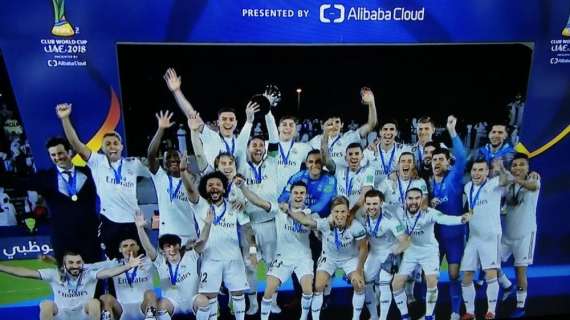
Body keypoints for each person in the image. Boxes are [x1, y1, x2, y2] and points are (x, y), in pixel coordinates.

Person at [56, 103, 150, 259]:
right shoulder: (96, 162)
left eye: (115, 143)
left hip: (135, 222)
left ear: (121, 146)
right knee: (112, 265)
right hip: (110, 222)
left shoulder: (134, 164)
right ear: (102, 148)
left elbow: (154, 170)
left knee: (139, 264)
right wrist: (65, 118)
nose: (112, 146)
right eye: (107, 144)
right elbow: (76, 144)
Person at [0, 136, 101, 263]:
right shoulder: (45, 178)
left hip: (90, 238)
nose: (57, 157)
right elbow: (18, 182)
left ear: (70, 152)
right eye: (53, 155)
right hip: (63, 240)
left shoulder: (89, 172)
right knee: (68, 280)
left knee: (97, 278)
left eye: (60, 153)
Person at [237, 179, 318, 320]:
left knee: (307, 289)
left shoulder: (311, 214)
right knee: (268, 290)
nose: (299, 196)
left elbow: (309, 223)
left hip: (303, 258)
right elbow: (259, 202)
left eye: (302, 193)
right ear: (291, 194)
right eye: (296, 193)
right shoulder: (279, 210)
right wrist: (243, 187)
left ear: (306, 196)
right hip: (282, 257)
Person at [182, 170, 258, 320]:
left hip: (234, 259)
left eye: (218, 184)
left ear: (224, 189)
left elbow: (248, 229)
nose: (214, 187)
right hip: (210, 259)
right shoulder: (199, 205)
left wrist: (253, 251)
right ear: (205, 189)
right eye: (210, 185)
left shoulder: (234, 206)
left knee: (238, 293)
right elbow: (190, 189)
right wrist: (183, 171)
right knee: (209, 296)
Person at [392, 188, 471, 320]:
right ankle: (405, 316)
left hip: (429, 251)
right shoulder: (399, 212)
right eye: (410, 198)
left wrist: (461, 219)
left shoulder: (429, 212)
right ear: (405, 200)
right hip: (411, 251)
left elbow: (444, 219)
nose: (413, 202)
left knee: (431, 280)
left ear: (421, 199)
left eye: (417, 198)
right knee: (396, 284)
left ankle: (430, 316)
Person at [288, 196, 368, 320]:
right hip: (329, 258)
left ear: (348, 212)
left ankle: (356, 318)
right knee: (318, 286)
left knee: (359, 284)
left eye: (343, 211)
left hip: (349, 258)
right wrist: (288, 210)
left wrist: (358, 270)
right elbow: (305, 221)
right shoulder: (325, 223)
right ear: (331, 212)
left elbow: (363, 248)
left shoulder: (356, 226)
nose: (339, 215)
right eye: (336, 211)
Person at [0, 251, 143, 320]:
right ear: (64, 265)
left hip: (83, 314)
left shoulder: (89, 274)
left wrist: (128, 266)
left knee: (94, 302)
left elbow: (109, 272)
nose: (75, 266)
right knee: (46, 304)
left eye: (78, 262)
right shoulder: (54, 274)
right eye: (71, 263)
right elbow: (25, 272)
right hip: (62, 315)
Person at [163, 68, 255, 168]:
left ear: (236, 123)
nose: (228, 122)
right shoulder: (210, 137)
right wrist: (177, 91)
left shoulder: (240, 141)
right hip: (213, 182)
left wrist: (250, 119)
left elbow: (249, 124)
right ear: (218, 122)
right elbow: (191, 114)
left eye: (231, 119)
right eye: (224, 119)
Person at [135, 210, 213, 320]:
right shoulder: (159, 261)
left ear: (179, 246)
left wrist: (208, 225)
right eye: (168, 246)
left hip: (192, 300)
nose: (172, 249)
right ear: (162, 251)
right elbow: (147, 247)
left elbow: (203, 241)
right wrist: (140, 229)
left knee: (203, 300)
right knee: (161, 304)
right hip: (171, 303)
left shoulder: (191, 256)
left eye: (174, 245)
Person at [461, 159, 511, 320]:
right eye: (474, 170)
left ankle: (491, 311)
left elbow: (507, 180)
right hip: (473, 238)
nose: (476, 173)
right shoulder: (467, 187)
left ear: (487, 172)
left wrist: (501, 168)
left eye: (481, 170)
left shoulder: (494, 183)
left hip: (491, 236)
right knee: (467, 275)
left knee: (490, 274)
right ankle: (470, 312)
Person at [429, 115, 467, 320]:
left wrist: (452, 131)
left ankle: (454, 312)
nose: (436, 162)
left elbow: (461, 157)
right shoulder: (427, 183)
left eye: (440, 159)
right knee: (432, 278)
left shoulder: (453, 178)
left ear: (447, 162)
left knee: (453, 275)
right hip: (435, 239)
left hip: (454, 236)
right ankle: (430, 313)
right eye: (434, 160)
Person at [498, 153, 541, 318]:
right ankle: (508, 286)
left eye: (521, 164)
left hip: (525, 234)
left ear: (528, 167)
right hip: (507, 235)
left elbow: (533, 187)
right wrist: (501, 170)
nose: (517, 168)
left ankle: (521, 306)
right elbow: (502, 189)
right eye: (514, 165)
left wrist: (513, 179)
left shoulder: (534, 179)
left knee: (520, 270)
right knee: (489, 262)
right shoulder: (509, 185)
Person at [147, 110, 199, 243]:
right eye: (168, 158)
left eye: (176, 156)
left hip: (189, 236)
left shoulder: (192, 179)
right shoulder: (160, 177)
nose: (173, 160)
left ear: (183, 159)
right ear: (163, 163)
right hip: (167, 237)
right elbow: (151, 154)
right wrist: (161, 129)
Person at [359, 190, 409, 320]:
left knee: (383, 283)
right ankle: (374, 315)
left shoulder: (390, 219)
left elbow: (406, 240)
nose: (371, 207)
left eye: (375, 203)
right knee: (365, 281)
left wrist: (395, 253)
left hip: (390, 252)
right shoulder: (363, 216)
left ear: (381, 203)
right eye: (368, 204)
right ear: (364, 204)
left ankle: (384, 317)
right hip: (374, 252)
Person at [309, 88, 377, 169]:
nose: (334, 126)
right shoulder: (315, 141)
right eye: (330, 123)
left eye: (337, 122)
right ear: (322, 125)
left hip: (343, 180)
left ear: (342, 125)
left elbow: (371, 125)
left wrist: (371, 103)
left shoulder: (349, 138)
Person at [99, 236, 157, 320]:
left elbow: (152, 252)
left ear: (138, 247)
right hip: (122, 310)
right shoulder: (114, 264)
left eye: (132, 245)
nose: (129, 248)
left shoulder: (147, 262)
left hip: (144, 307)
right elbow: (98, 272)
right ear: (120, 249)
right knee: (105, 297)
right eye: (125, 246)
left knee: (150, 293)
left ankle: (151, 318)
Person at [278, 150, 337, 217]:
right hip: (300, 215)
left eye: (318, 162)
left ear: (322, 164)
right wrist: (284, 204)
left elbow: (322, 203)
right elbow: (284, 195)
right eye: (311, 162)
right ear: (306, 164)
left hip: (321, 220)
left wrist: (304, 212)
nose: (314, 165)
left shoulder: (330, 180)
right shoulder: (298, 176)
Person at [322, 141, 374, 209]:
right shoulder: (339, 172)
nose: (353, 156)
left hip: (358, 213)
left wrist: (351, 213)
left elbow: (365, 195)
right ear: (346, 158)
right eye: (350, 154)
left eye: (357, 153)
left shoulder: (368, 171)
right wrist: (325, 140)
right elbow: (327, 162)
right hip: (341, 213)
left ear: (362, 156)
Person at [364, 119, 409, 189]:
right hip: (374, 194)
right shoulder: (369, 151)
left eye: (391, 129)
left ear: (396, 132)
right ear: (380, 132)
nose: (388, 132)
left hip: (396, 192)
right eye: (385, 129)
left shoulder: (403, 150)